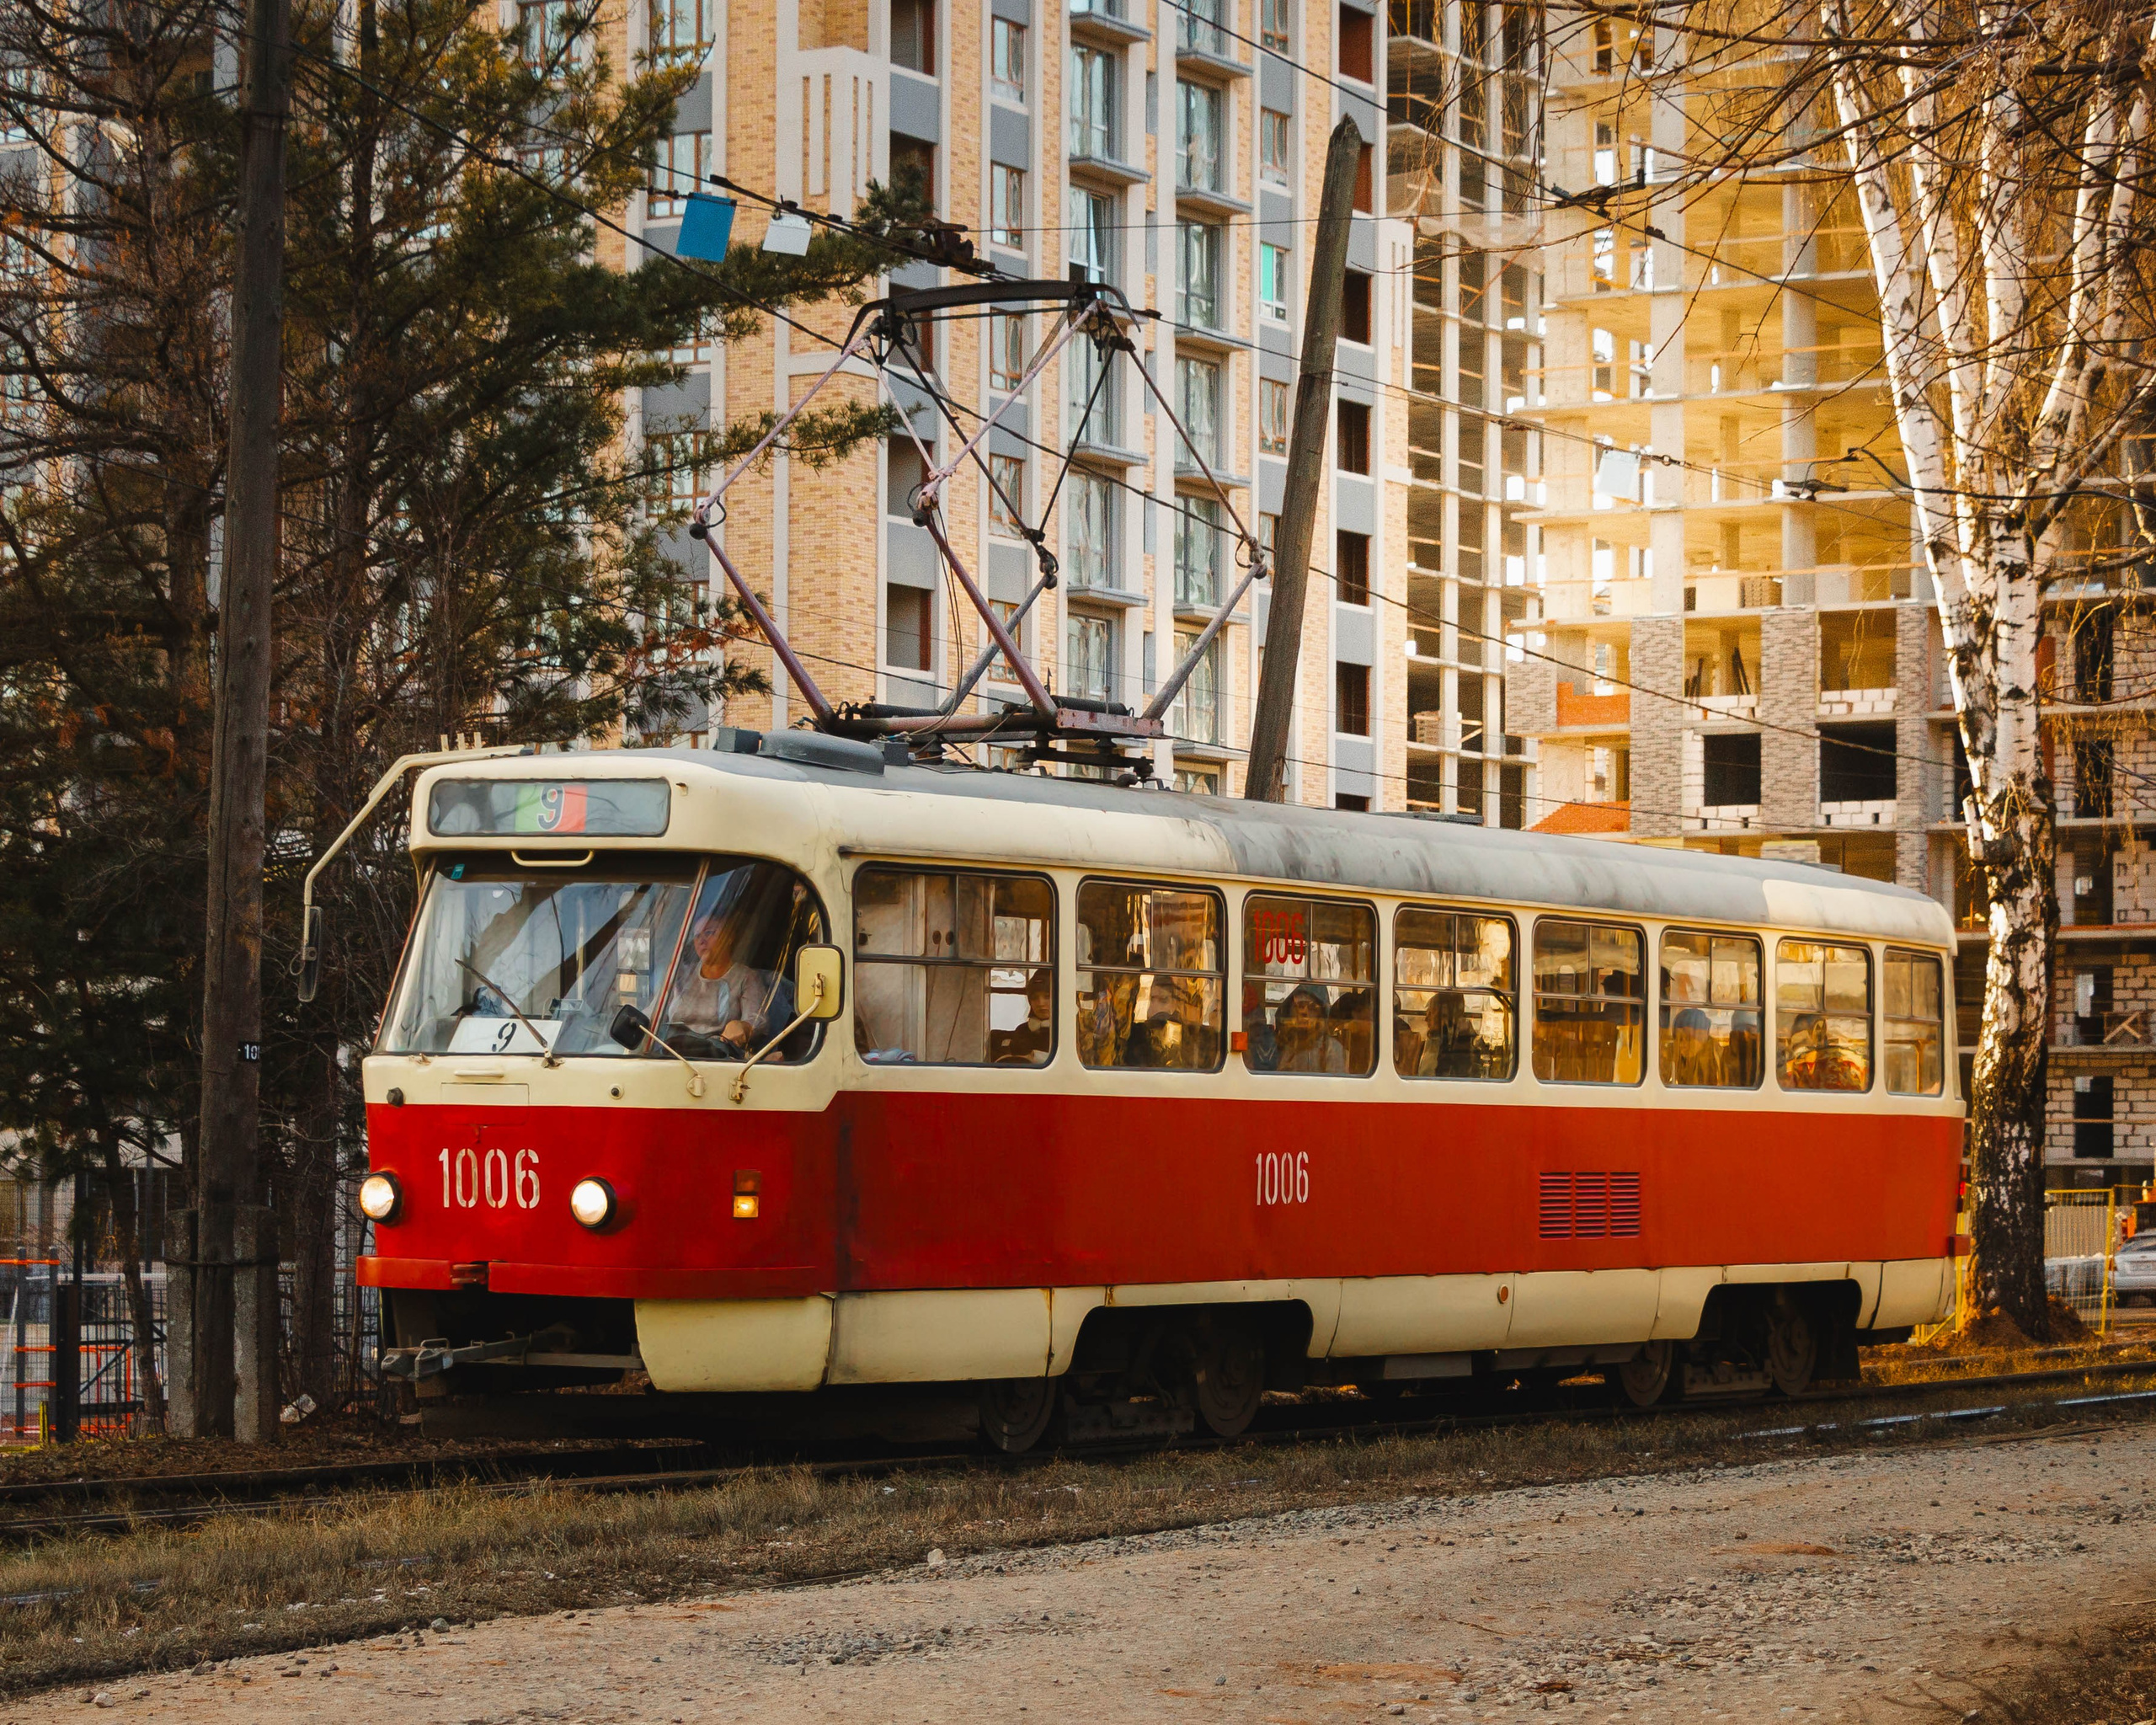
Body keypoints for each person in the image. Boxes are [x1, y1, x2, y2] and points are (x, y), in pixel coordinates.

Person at [667, 899, 794, 1055]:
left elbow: (757, 1022)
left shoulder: (745, 977)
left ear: (729, 937)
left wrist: (743, 1027)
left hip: (719, 1057)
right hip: (672, 1054)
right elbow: (652, 1014)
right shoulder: (681, 976)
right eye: (697, 936)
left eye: (709, 933)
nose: (701, 941)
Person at [1273, 984, 1345, 1074]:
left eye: (1312, 1007)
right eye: (1300, 1006)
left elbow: (1337, 1081)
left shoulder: (1332, 1047)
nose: (1304, 1012)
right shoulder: (1284, 1045)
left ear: (1321, 1014)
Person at [991, 969, 1054, 1064]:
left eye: (1047, 996)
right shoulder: (1022, 1031)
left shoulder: (1067, 1031)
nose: (1040, 1003)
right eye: (1034, 998)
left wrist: (1033, 1056)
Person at [1417, 990, 1478, 1078]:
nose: (1426, 1018)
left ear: (1444, 1016)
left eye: (1431, 1012)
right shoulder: (1432, 1041)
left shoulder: (1464, 1044)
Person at [1663, 1006, 1720, 1087]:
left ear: (1702, 1037)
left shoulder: (1718, 1057)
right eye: (1679, 1039)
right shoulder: (1673, 1056)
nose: (1682, 1045)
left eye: (1688, 1038)